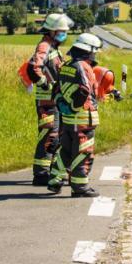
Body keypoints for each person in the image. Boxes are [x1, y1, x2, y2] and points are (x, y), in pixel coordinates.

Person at [47, 33, 103, 197]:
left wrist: (65, 108)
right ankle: (80, 187)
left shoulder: (66, 65)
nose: (95, 54)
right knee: (82, 152)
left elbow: (55, 91)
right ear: (88, 51)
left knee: (65, 151)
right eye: (94, 51)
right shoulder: (83, 66)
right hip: (83, 119)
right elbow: (85, 89)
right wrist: (74, 106)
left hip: (69, 120)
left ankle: (54, 181)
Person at [26, 13, 72, 186]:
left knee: (57, 136)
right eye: (61, 31)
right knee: (48, 135)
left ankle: (51, 170)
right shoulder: (45, 46)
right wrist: (45, 83)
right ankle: (41, 174)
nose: (64, 34)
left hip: (55, 101)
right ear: (52, 31)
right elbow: (33, 68)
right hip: (47, 102)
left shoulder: (54, 47)